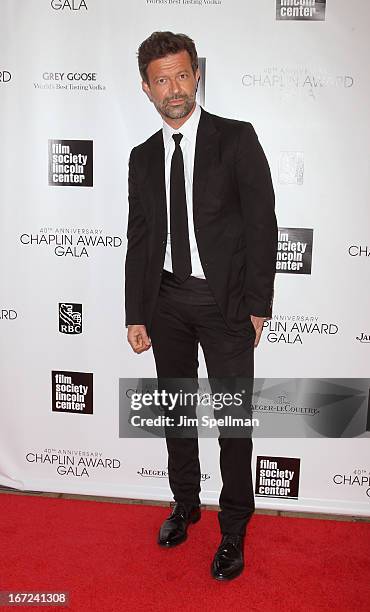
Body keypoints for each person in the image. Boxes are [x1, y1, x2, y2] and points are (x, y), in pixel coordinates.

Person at [125, 31, 278, 581]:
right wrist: (136, 312)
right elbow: (139, 239)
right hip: (166, 301)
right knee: (176, 411)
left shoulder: (236, 139)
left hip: (226, 304)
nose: (174, 88)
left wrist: (258, 302)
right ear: (146, 88)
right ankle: (185, 503)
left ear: (197, 76)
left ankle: (234, 528)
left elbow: (263, 225)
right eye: (161, 79)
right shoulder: (142, 158)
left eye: (182, 75)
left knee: (233, 421)